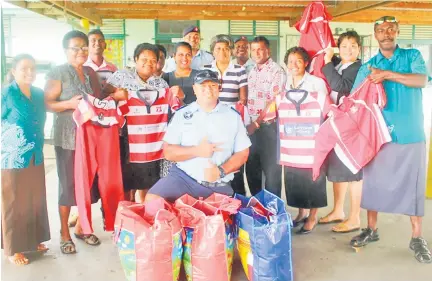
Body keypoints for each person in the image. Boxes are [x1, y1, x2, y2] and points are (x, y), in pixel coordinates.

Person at [349, 16, 431, 263]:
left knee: (413, 186)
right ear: (375, 34)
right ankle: (371, 229)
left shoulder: (412, 56)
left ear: (397, 32)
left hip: (410, 132)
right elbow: (356, 98)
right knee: (373, 184)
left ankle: (417, 236)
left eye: (390, 30)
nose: (386, 34)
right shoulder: (368, 66)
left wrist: (386, 75)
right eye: (381, 30)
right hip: (379, 136)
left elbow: (421, 80)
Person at [45, 30, 109, 254]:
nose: (81, 51)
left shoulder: (91, 72)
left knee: (89, 184)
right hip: (68, 139)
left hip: (91, 137)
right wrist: (68, 104)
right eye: (75, 47)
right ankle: (64, 233)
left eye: (84, 47)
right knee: (68, 186)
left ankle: (83, 227)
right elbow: (48, 103)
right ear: (66, 51)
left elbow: (99, 99)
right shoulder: (58, 72)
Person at [145, 69, 251, 202]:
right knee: (152, 200)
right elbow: (168, 152)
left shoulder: (233, 116)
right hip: (183, 178)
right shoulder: (181, 115)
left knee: (213, 221)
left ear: (219, 88)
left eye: (213, 85)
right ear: (195, 89)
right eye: (203, 86)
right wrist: (197, 151)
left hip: (217, 184)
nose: (208, 90)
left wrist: (220, 171)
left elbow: (243, 153)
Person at [105, 43, 182, 203]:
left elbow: (173, 110)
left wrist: (177, 97)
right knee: (127, 185)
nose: (149, 63)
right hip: (126, 139)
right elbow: (104, 98)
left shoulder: (161, 85)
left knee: (148, 183)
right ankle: (128, 219)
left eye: (153, 60)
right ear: (135, 59)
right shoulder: (121, 76)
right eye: (144, 59)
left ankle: (145, 216)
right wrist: (116, 97)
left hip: (153, 144)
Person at [1, 54, 50, 265]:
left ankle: (33, 241)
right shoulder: (6, 94)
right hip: (13, 156)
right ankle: (13, 249)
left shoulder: (39, 94)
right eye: (24, 68)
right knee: (13, 202)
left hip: (36, 153)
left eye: (33, 68)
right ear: (13, 71)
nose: (29, 72)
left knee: (34, 199)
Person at [67, 28, 118, 229]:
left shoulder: (113, 68)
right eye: (92, 41)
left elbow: (112, 93)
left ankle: (108, 219)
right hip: (81, 127)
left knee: (105, 176)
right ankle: (79, 215)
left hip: (105, 125)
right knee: (80, 174)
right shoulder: (80, 65)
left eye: (100, 41)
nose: (96, 44)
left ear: (105, 44)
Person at [318, 31, 363, 233]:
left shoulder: (357, 68)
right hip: (336, 122)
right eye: (344, 46)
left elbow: (341, 86)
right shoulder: (341, 65)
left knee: (353, 172)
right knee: (338, 169)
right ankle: (338, 210)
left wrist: (327, 61)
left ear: (359, 49)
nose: (348, 50)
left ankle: (355, 217)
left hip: (351, 125)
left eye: (353, 46)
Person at [281, 47, 330, 234]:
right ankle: (301, 212)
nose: (294, 65)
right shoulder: (286, 83)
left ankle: (312, 216)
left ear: (306, 63)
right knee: (295, 178)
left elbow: (325, 109)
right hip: (292, 141)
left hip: (312, 140)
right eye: (291, 61)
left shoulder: (316, 83)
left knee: (313, 178)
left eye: (298, 61)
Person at [244, 36, 286, 197]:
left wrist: (257, 122)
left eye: (260, 49)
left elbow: (273, 101)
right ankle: (257, 207)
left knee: (272, 172)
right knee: (252, 169)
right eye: (253, 50)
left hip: (268, 127)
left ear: (268, 50)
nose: (256, 53)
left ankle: (273, 211)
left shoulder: (276, 71)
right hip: (252, 128)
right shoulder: (252, 71)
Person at [160, 42, 200, 178]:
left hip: (195, 130)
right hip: (172, 130)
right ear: (174, 57)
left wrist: (185, 96)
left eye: (188, 54)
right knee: (172, 172)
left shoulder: (199, 77)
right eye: (180, 54)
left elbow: (205, 102)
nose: (184, 58)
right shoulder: (165, 78)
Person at [204, 34, 248, 105]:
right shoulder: (205, 69)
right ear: (212, 51)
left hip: (231, 113)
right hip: (209, 113)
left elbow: (243, 99)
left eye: (226, 49)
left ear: (231, 51)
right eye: (218, 48)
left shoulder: (240, 70)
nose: (222, 52)